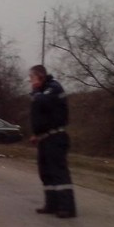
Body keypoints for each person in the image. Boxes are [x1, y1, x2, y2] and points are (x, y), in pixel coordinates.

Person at [29, 65, 77, 218]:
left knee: (58, 172)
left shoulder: (53, 88)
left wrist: (36, 91)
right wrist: (37, 134)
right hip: (44, 138)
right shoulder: (42, 91)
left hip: (56, 138)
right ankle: (52, 204)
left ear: (41, 76)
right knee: (46, 173)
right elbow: (42, 115)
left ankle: (67, 207)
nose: (31, 81)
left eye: (32, 78)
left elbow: (43, 102)